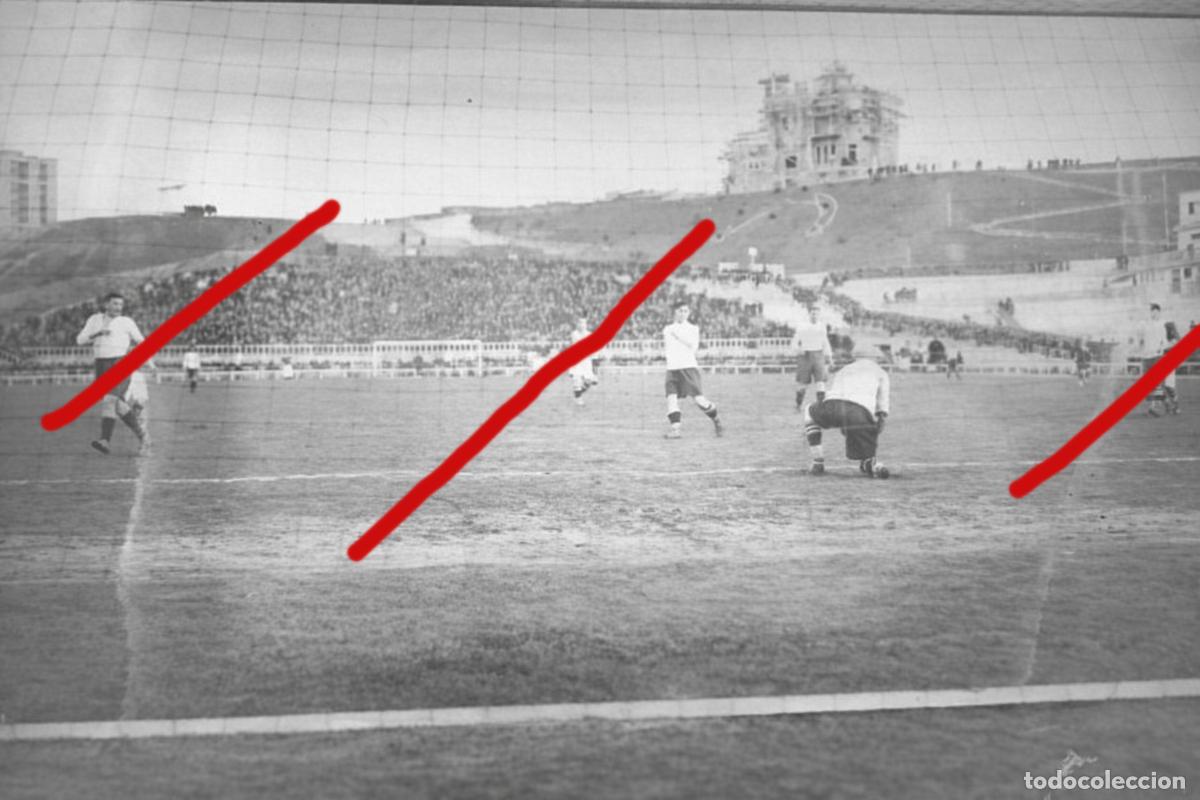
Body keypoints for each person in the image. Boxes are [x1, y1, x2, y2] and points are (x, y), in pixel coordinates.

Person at [75, 292, 150, 454]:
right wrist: (98, 333)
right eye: (115, 304)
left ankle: (105, 440)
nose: (118, 308)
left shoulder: (126, 322)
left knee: (109, 401)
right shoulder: (95, 320)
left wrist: (149, 360)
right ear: (106, 304)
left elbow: (141, 341)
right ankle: (144, 437)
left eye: (120, 305)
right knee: (119, 406)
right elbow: (79, 340)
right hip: (100, 365)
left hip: (120, 363)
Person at [803, 343, 890, 478]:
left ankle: (817, 461)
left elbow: (835, 394)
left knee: (809, 411)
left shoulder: (844, 370)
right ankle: (873, 465)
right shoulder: (881, 372)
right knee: (866, 447)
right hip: (860, 413)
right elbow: (882, 402)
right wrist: (881, 419)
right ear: (873, 356)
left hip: (832, 406)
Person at [663, 302, 722, 439]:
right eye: (680, 311)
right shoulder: (667, 329)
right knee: (671, 399)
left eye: (685, 311)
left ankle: (716, 420)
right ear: (674, 312)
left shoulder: (693, 329)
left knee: (700, 401)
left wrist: (678, 336)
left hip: (688, 368)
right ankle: (676, 430)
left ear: (688, 313)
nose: (683, 313)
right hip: (672, 369)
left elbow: (693, 347)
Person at [1139, 303, 1179, 416]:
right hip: (1151, 357)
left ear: (1159, 311)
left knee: (1168, 386)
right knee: (1153, 384)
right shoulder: (1147, 325)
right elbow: (1144, 341)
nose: (1152, 314)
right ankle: (1158, 406)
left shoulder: (1166, 324)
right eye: (1151, 311)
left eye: (1154, 311)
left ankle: (1173, 405)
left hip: (1164, 357)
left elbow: (1176, 341)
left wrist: (1163, 347)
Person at [791, 305, 832, 410]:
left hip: (818, 355)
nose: (814, 316)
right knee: (802, 384)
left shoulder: (822, 326)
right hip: (805, 356)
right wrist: (798, 349)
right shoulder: (802, 326)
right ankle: (798, 405)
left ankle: (821, 407)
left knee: (820, 382)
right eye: (812, 313)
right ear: (809, 314)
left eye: (816, 314)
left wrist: (829, 356)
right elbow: (795, 341)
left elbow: (825, 342)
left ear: (819, 315)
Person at [567, 316, 600, 406]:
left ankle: (578, 394)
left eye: (583, 323)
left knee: (589, 382)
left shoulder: (589, 334)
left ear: (586, 325)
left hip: (586, 361)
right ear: (577, 324)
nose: (582, 325)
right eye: (580, 323)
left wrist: (595, 372)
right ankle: (579, 400)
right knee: (577, 380)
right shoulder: (574, 334)